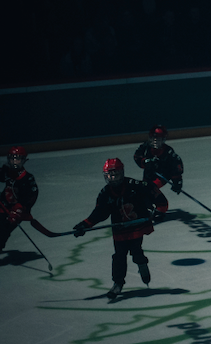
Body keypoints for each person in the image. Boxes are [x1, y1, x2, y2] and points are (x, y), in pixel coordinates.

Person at [73, 158, 168, 300]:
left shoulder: (134, 185)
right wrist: (85, 224)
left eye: (115, 175)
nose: (112, 179)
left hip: (136, 227)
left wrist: (160, 209)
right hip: (120, 230)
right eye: (109, 176)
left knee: (136, 251)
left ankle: (141, 262)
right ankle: (118, 283)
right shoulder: (105, 193)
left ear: (122, 173)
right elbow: (99, 212)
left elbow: (152, 190)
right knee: (119, 256)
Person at [0, 147, 39, 252]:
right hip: (3, 206)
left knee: (3, 231)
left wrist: (19, 209)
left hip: (17, 211)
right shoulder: (6, 171)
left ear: (23, 160)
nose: (14, 162)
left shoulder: (27, 178)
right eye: (12, 158)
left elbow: (31, 196)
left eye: (17, 159)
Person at [132, 125, 185, 194]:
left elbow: (176, 165)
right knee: (144, 189)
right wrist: (144, 162)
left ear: (163, 139)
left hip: (162, 175)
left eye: (158, 139)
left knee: (149, 189)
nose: (155, 142)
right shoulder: (145, 147)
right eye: (153, 138)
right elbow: (137, 156)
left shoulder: (168, 152)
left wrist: (177, 181)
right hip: (148, 174)